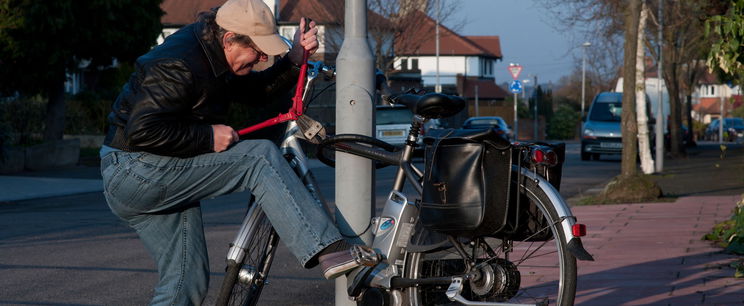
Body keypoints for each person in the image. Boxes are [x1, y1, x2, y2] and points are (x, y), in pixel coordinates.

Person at [99, 0, 375, 304]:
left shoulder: (217, 53)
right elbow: (142, 131)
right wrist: (206, 136)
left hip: (154, 170)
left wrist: (294, 59)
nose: (259, 59)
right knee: (258, 158)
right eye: (257, 52)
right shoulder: (179, 63)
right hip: (135, 170)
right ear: (229, 38)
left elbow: (256, 92)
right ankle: (329, 252)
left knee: (186, 283)